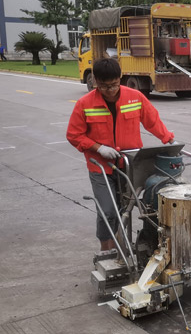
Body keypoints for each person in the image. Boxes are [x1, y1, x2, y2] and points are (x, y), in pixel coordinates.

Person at [66, 58, 174, 252]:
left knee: (126, 209)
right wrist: (98, 148)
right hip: (100, 166)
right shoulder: (84, 104)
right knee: (108, 211)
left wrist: (167, 138)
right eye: (105, 86)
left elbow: (152, 120)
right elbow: (74, 135)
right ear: (95, 82)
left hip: (130, 164)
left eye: (114, 84)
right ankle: (106, 252)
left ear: (120, 78)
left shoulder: (135, 97)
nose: (111, 90)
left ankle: (120, 247)